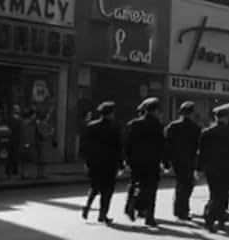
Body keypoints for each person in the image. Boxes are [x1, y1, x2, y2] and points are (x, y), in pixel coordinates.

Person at [196, 104, 229, 233]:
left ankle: (215, 218)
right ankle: (214, 219)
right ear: (226, 117)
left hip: (212, 168)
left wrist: (199, 169)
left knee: (215, 194)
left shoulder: (207, 132)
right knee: (222, 195)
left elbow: (202, 152)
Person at [124, 97, 166, 227]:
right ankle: (149, 216)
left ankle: (132, 201)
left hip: (136, 161)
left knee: (135, 183)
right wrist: (164, 162)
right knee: (151, 189)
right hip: (152, 162)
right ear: (156, 110)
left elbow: (127, 145)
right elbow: (161, 146)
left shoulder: (133, 124)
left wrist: (127, 160)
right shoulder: (158, 126)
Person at [82, 102, 123, 225]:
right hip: (110, 163)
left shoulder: (91, 126)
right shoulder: (115, 127)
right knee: (107, 190)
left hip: (95, 162)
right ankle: (102, 214)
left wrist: (87, 161)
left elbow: (86, 146)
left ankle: (87, 206)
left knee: (94, 187)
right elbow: (118, 146)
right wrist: (121, 163)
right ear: (111, 114)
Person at [164, 101, 201, 221]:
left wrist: (167, 161)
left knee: (180, 184)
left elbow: (167, 145)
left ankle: (178, 209)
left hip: (176, 159)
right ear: (191, 113)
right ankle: (183, 210)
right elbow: (197, 146)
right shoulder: (195, 127)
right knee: (187, 185)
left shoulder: (172, 126)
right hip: (189, 159)